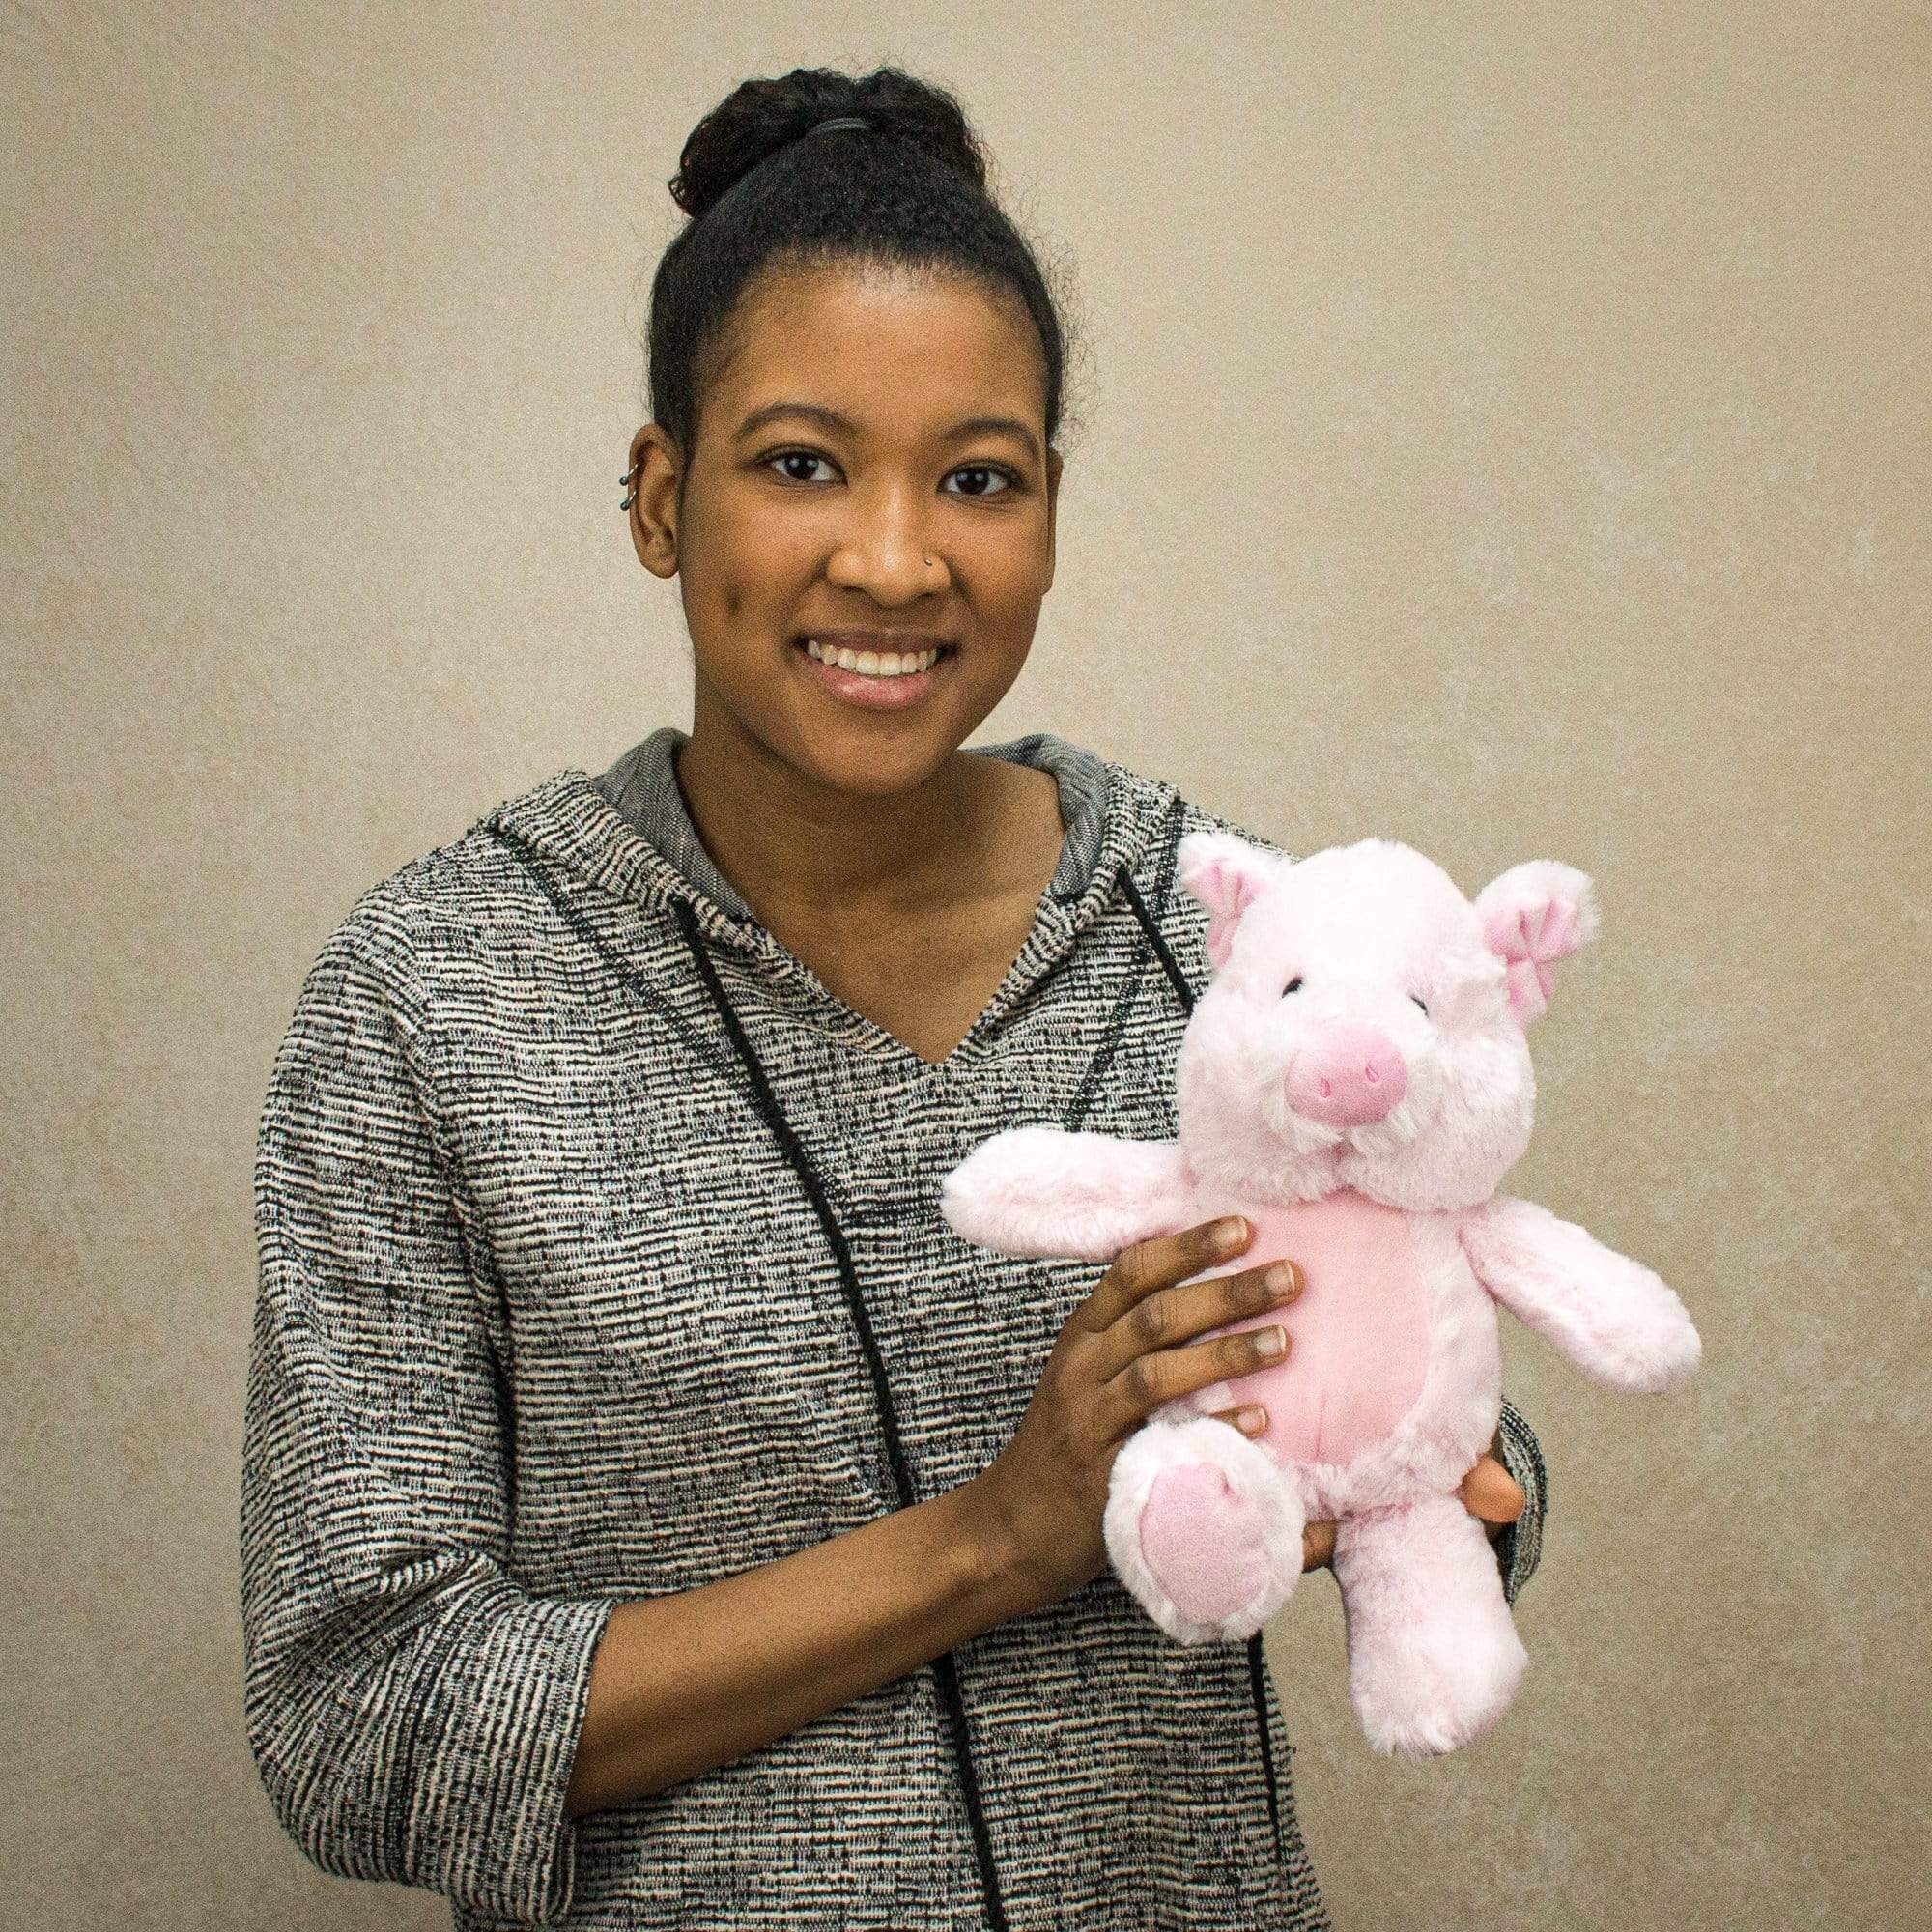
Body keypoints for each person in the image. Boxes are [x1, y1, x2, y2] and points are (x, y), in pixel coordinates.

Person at [241, 64, 1546, 1931]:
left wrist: (1431, 1467)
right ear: (659, 497)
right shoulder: (430, 996)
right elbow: (360, 1724)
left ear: (1051, 510)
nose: (895, 558)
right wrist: (996, 1540)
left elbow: (1463, 1453)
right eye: (799, 464)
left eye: (978, 479)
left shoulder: (1227, 927)